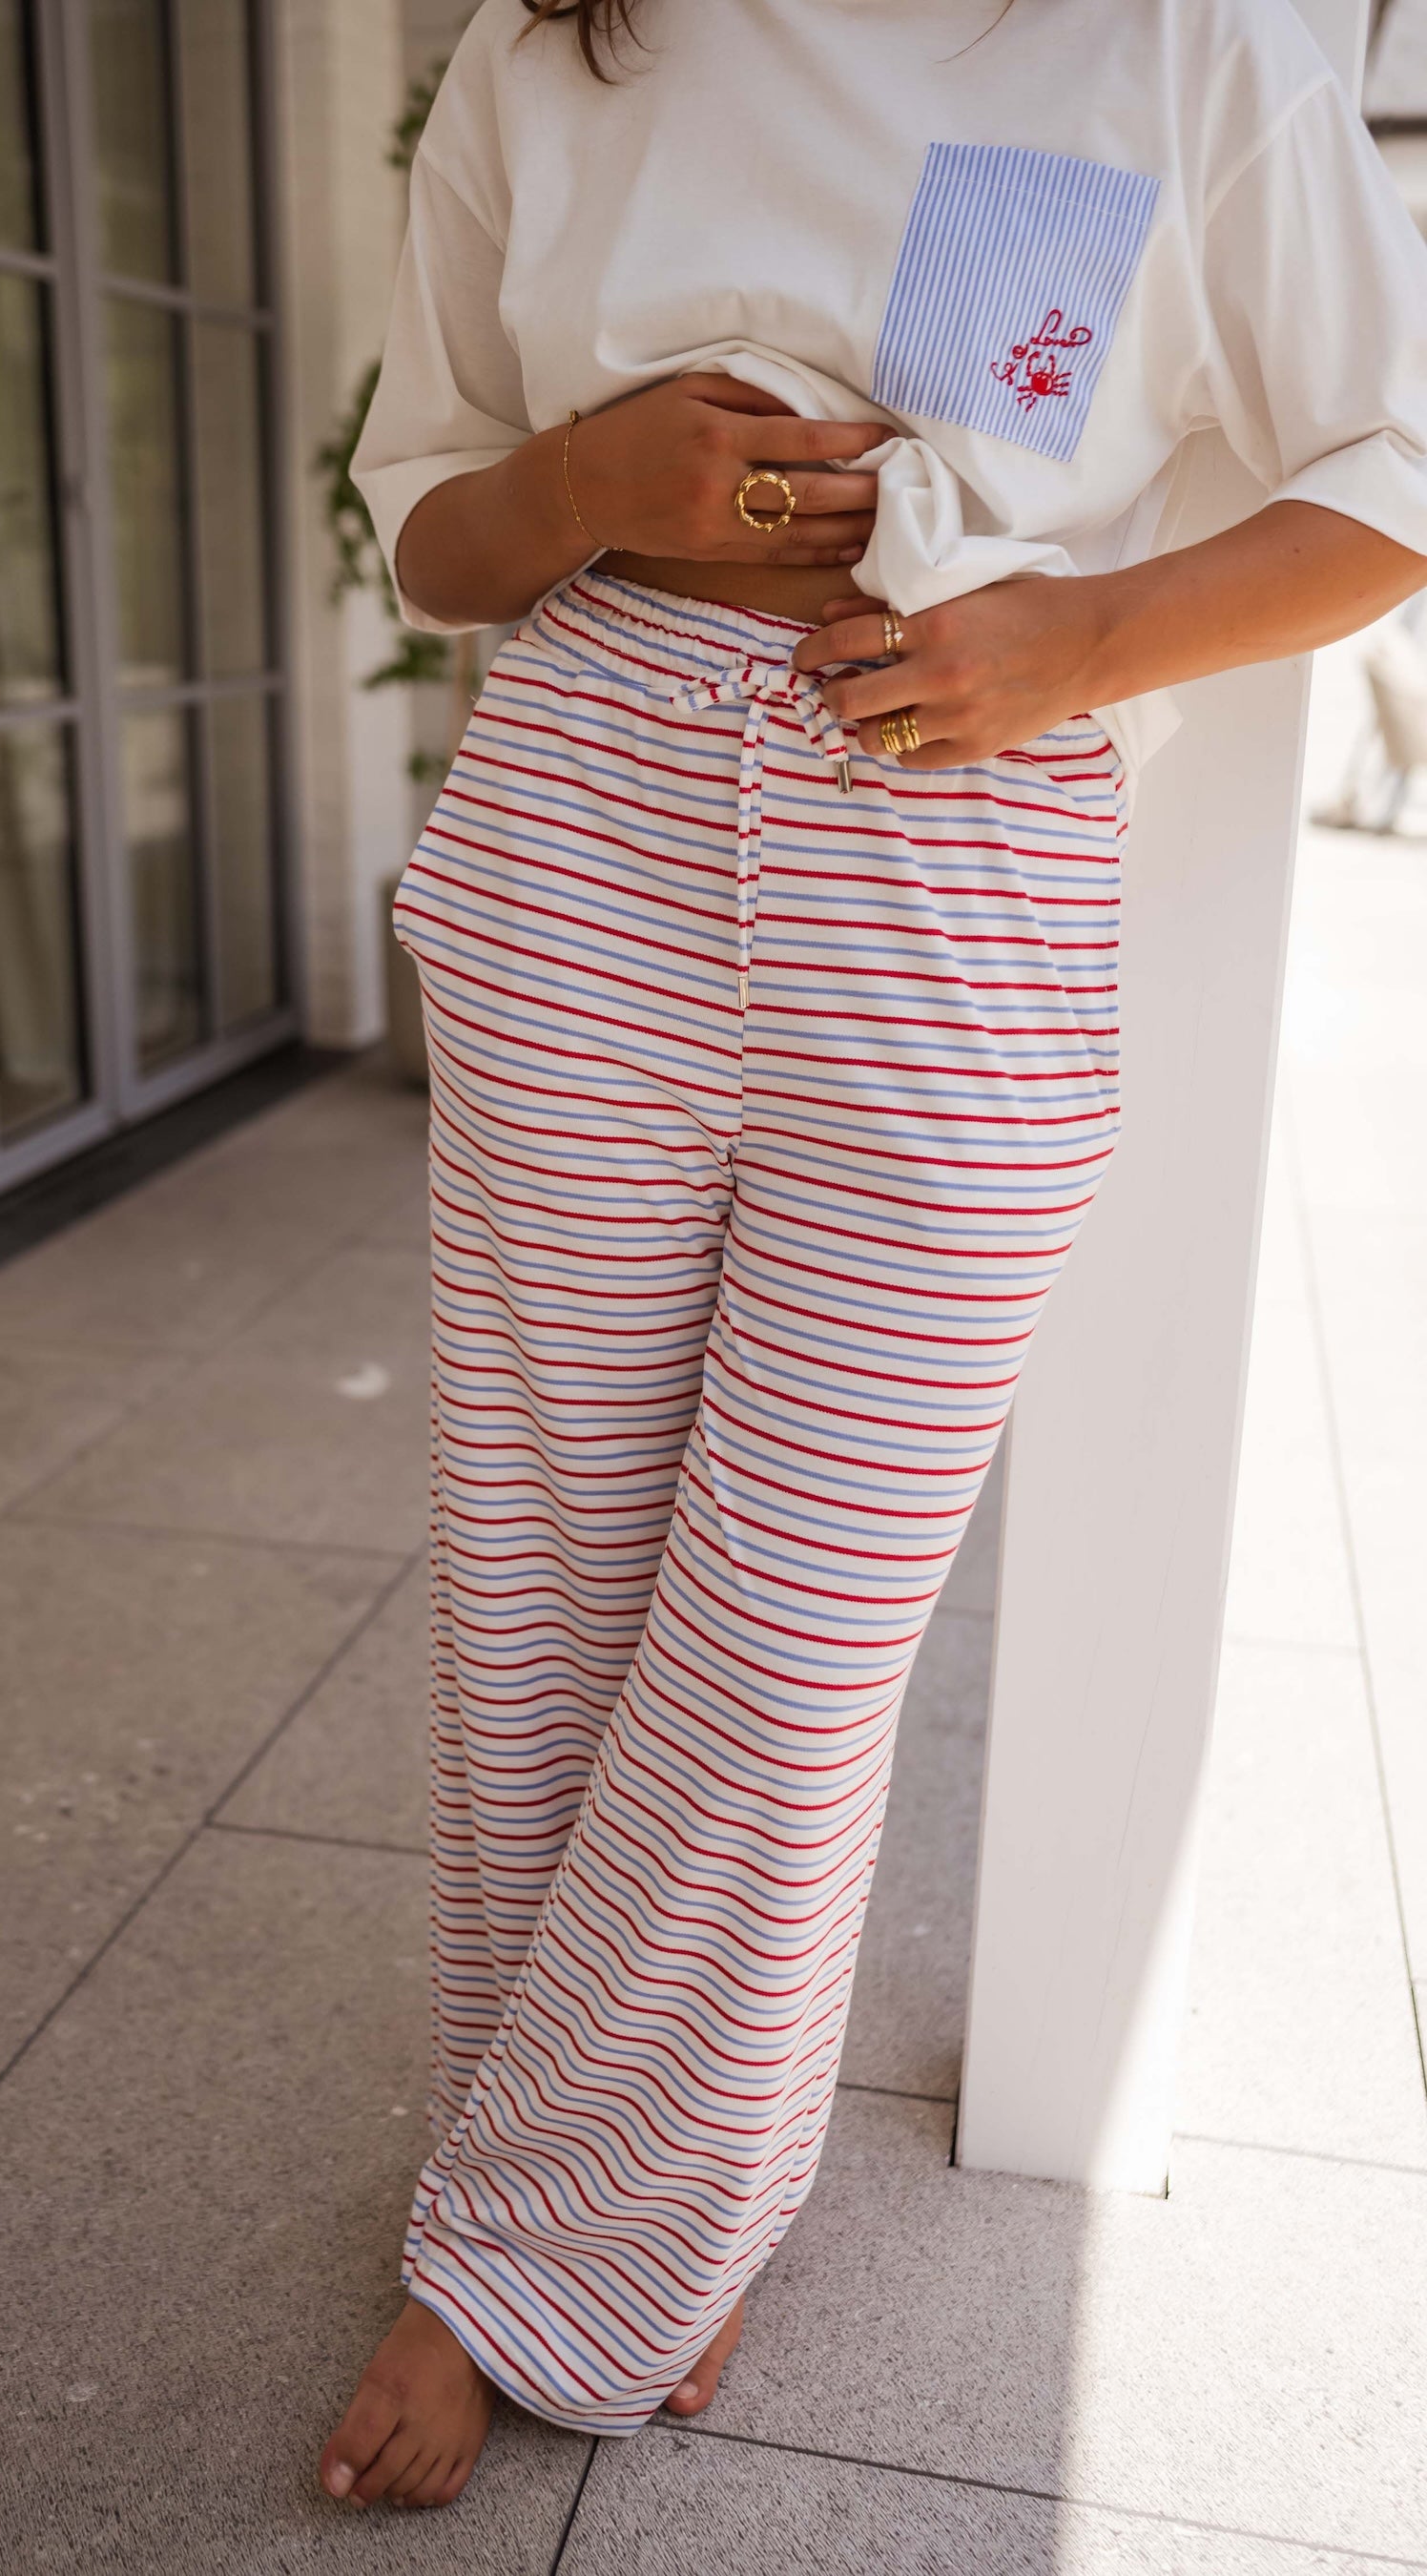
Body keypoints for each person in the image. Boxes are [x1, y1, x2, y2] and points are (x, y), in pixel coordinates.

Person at [323, 0, 1427, 2512]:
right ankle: (558, 2241)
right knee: (552, 1597)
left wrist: (1074, 642)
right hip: (590, 805)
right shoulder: (559, 50)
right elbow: (429, 527)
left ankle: (593, 2221)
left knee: (788, 1660)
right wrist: (594, 471)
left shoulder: (1186, 38)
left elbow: (1403, 458)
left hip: (952, 835)